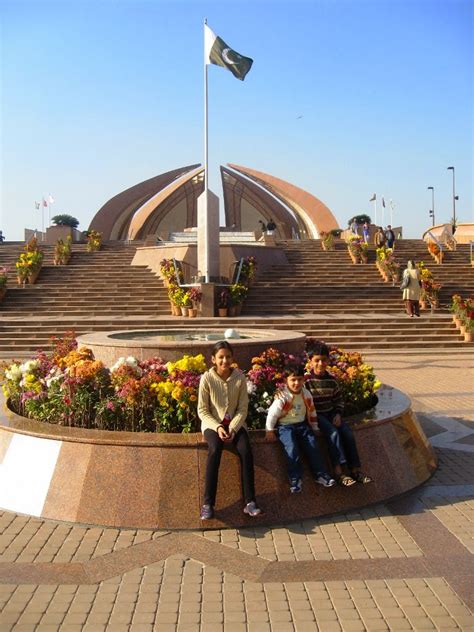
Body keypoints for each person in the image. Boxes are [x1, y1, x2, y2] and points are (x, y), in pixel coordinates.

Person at [198, 340, 261, 520]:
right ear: (213, 359)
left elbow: (242, 409)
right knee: (215, 449)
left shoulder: (239, 377)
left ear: (232, 358)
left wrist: (233, 428)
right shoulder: (207, 378)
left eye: (228, 357)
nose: (224, 361)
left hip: (235, 424)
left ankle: (250, 502)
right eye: (220, 357)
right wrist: (218, 427)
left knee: (245, 450)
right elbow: (202, 410)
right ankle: (208, 504)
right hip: (212, 424)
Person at [305, 342, 373, 486]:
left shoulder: (331, 380)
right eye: (316, 360)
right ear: (310, 361)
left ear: (328, 361)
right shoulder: (307, 381)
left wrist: (337, 414)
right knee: (333, 433)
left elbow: (338, 400)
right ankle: (339, 472)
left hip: (331, 413)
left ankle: (355, 470)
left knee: (347, 433)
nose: (320, 363)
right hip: (317, 416)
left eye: (324, 360)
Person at [266, 365, 336, 493]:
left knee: (313, 445)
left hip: (302, 425)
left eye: (299, 379)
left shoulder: (306, 394)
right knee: (291, 448)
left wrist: (314, 427)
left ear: (304, 380)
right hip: (285, 427)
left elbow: (312, 411)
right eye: (293, 380)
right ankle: (295, 478)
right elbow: (272, 414)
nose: (296, 383)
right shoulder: (283, 396)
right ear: (286, 381)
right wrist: (269, 430)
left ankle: (320, 475)